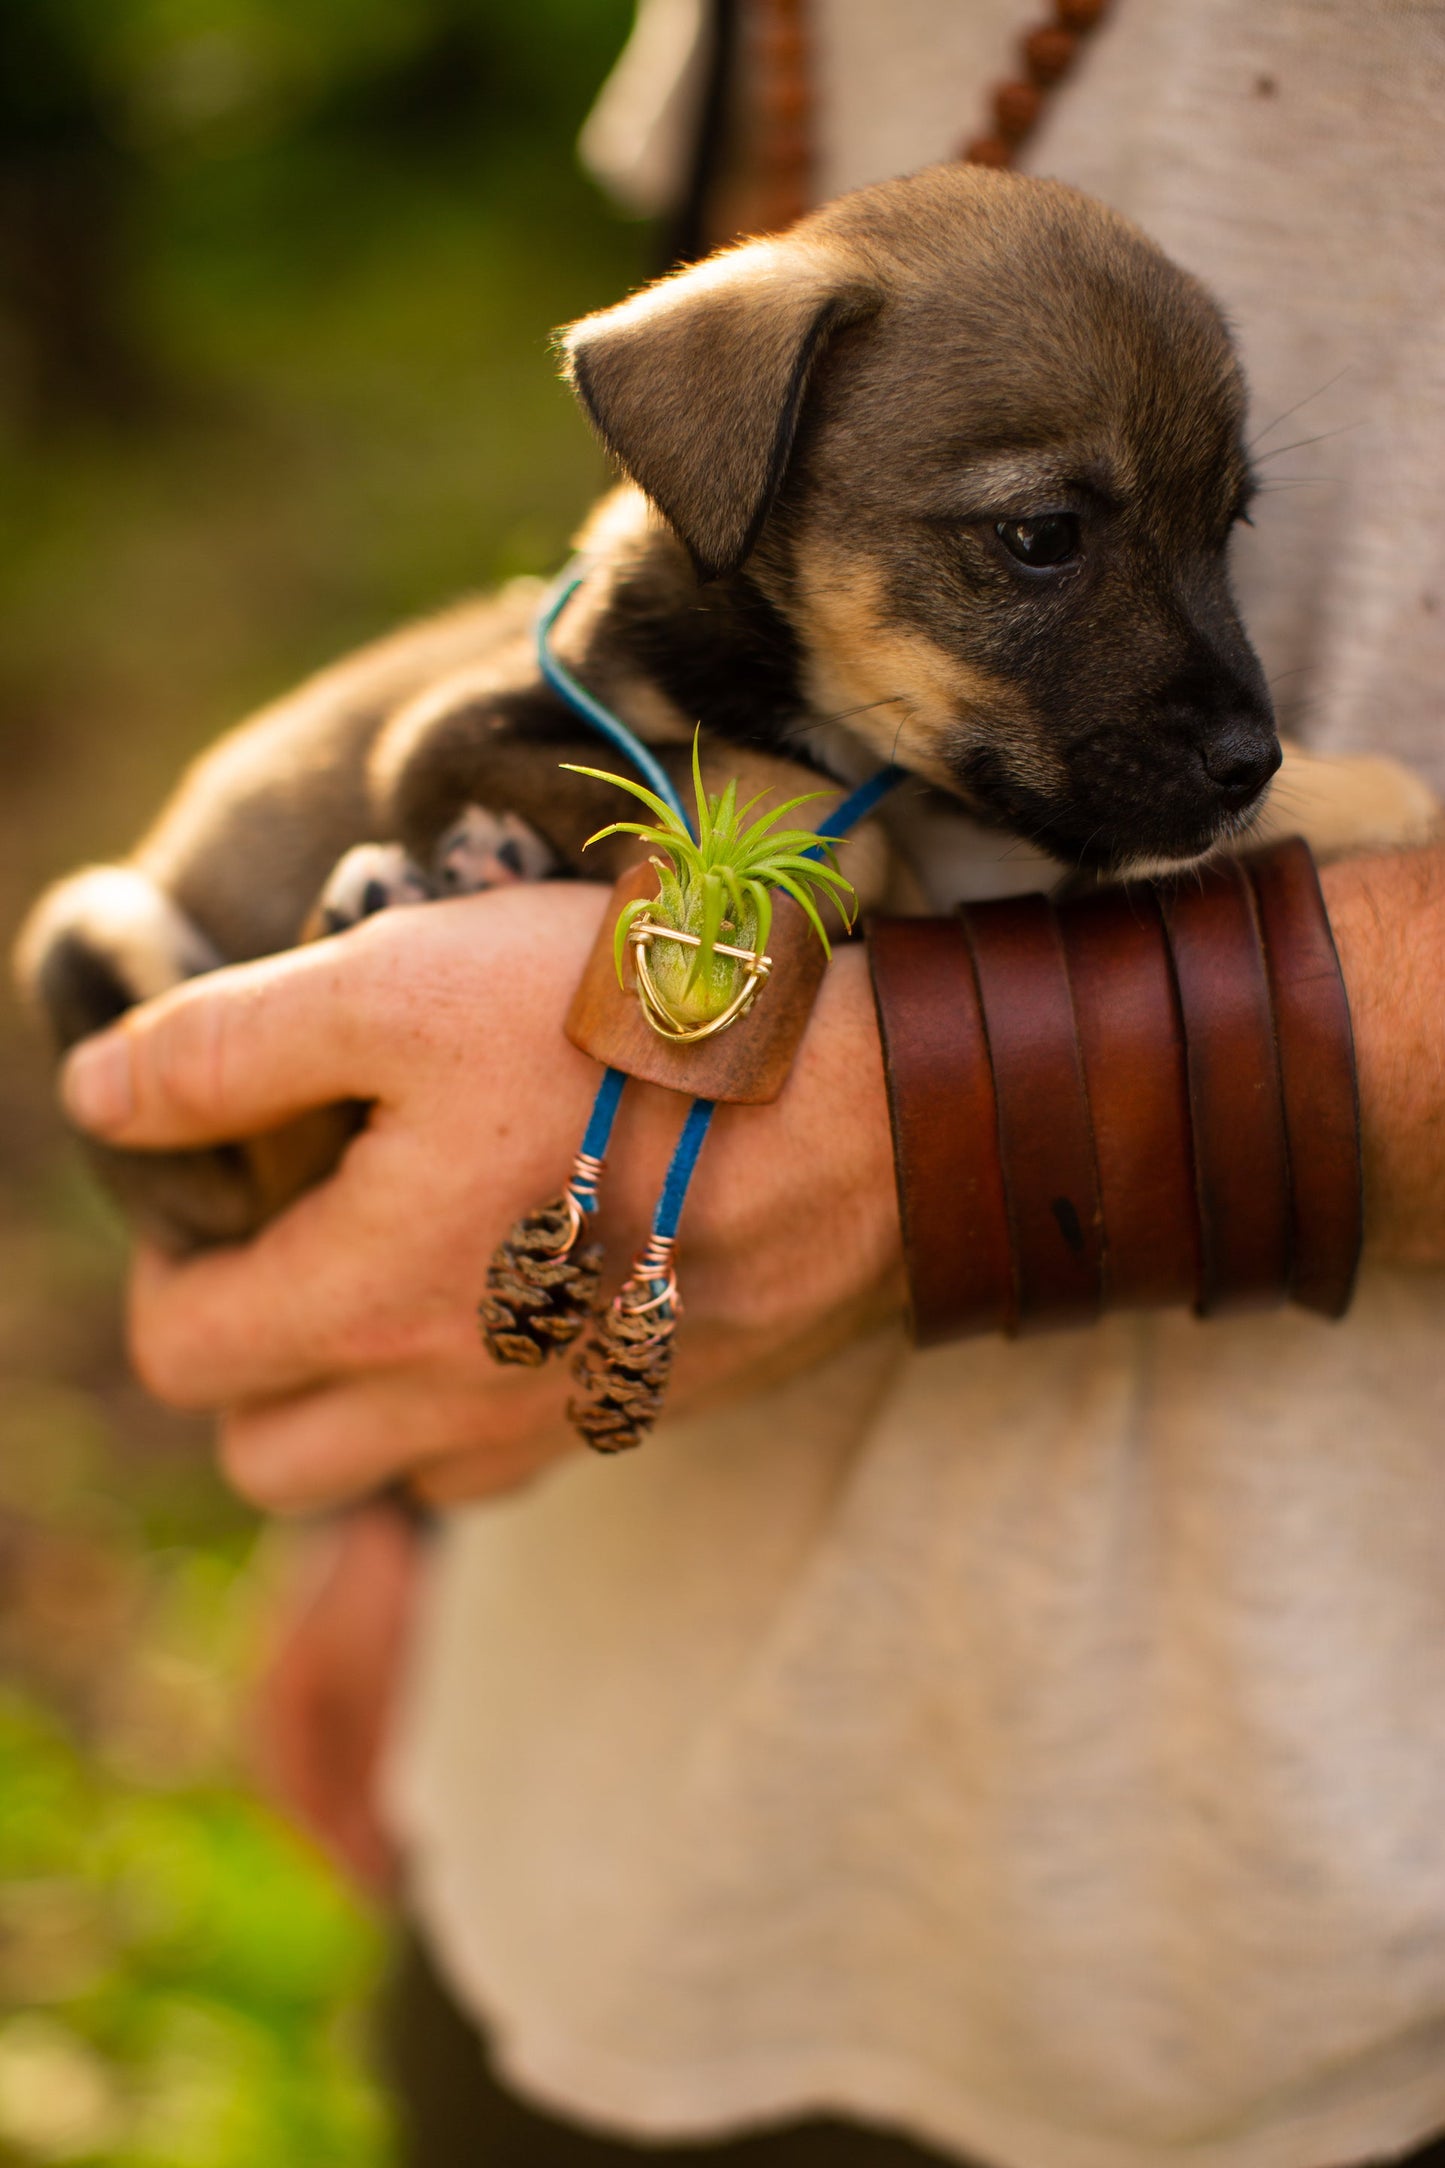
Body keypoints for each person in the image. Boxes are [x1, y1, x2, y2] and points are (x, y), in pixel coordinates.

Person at [56, 3, 1445, 2165]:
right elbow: (677, 505)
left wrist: (917, 1122)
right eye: (1044, 550)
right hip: (612, 1802)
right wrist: (405, 1507)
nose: (1218, 705)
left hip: (1318, 1936)